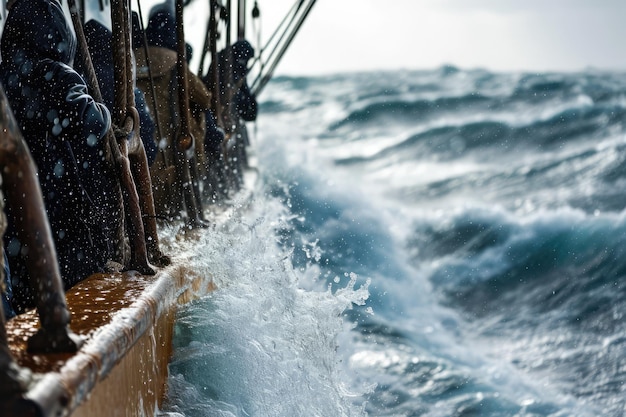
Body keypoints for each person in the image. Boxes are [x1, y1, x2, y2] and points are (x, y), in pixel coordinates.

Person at [0, 0, 113, 310]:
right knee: (66, 270)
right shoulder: (55, 74)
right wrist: (105, 113)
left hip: (17, 203)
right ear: (59, 35)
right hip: (55, 196)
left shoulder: (6, 76)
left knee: (23, 271)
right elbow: (88, 120)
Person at [133, 5, 212, 219]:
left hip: (137, 155)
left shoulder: (129, 58)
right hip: (169, 159)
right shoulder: (175, 61)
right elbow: (204, 98)